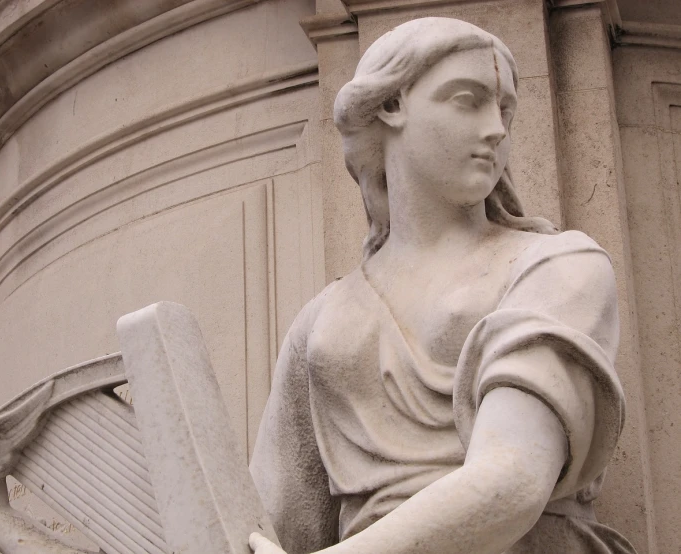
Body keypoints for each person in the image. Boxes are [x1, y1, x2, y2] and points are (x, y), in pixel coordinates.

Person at [248, 17, 636, 554]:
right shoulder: (321, 326)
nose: (497, 129)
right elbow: (273, 526)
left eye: (504, 110)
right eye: (467, 100)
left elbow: (514, 480)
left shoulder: (557, 266)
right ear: (391, 105)